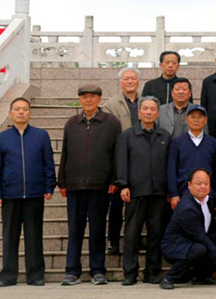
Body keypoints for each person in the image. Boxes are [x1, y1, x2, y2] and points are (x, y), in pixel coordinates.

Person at [58, 85, 121, 286]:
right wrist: (62, 181)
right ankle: (72, 270)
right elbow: (65, 154)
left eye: (92, 97)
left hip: (100, 186)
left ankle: (97, 270)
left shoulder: (111, 123)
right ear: (79, 100)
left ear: (99, 99)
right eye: (84, 97)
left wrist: (114, 180)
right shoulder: (71, 124)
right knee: (74, 230)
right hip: (75, 186)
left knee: (97, 229)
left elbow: (116, 155)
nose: (88, 101)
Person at [0, 97, 56, 287]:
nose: (21, 112)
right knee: (9, 236)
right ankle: (8, 276)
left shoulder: (41, 135)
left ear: (30, 113)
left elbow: (48, 164)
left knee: (34, 236)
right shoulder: (2, 138)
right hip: (10, 195)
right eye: (17, 109)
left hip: (35, 194)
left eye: (24, 109)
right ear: (10, 113)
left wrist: (49, 186)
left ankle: (35, 275)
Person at [115, 96, 171, 286]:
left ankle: (152, 271)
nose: (148, 112)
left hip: (158, 192)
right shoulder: (128, 135)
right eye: (145, 109)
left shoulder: (164, 136)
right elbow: (121, 162)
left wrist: (169, 189)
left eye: (152, 109)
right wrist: (123, 185)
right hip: (135, 192)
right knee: (132, 233)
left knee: (156, 233)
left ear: (157, 113)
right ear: (139, 112)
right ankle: (130, 272)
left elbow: (168, 165)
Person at [160, 168, 216, 289]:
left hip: (194, 242)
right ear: (189, 185)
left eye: (206, 183)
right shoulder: (187, 208)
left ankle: (202, 277)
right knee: (199, 249)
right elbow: (202, 238)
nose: (203, 187)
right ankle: (169, 277)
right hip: (175, 246)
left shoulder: (209, 196)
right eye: (198, 184)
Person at [101, 67, 141, 255]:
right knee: (116, 204)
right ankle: (114, 241)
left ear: (138, 81)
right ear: (120, 82)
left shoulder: (146, 102)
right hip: (119, 158)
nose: (130, 81)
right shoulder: (111, 104)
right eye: (126, 78)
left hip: (141, 159)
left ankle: (136, 238)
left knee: (139, 205)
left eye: (133, 78)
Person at [168, 104, 216, 207]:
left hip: (207, 194)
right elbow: (171, 169)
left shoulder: (212, 142)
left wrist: (215, 194)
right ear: (187, 119)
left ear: (205, 120)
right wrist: (174, 194)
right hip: (183, 193)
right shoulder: (177, 142)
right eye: (192, 117)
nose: (196, 120)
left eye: (200, 117)